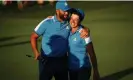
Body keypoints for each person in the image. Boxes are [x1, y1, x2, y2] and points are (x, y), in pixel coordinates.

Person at [30, 1, 89, 80]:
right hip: (47, 60)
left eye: (67, 11)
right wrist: (36, 52)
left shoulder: (68, 22)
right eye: (64, 11)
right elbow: (33, 36)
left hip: (62, 61)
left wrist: (86, 29)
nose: (66, 13)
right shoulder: (47, 22)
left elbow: (77, 26)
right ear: (57, 11)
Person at [68, 9, 100, 80]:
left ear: (80, 21)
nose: (73, 21)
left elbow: (92, 54)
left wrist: (95, 71)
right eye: (72, 18)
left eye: (76, 19)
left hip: (83, 68)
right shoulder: (67, 30)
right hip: (71, 69)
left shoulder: (84, 34)